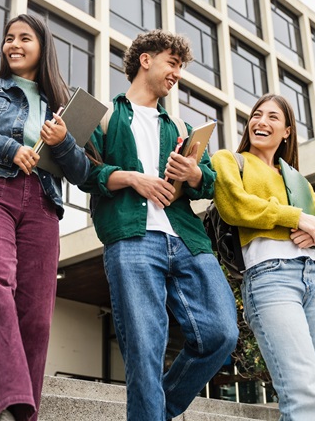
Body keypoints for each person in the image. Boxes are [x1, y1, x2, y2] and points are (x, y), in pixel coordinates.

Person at [78, 29, 238, 421]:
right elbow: (84, 174)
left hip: (187, 240)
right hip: (132, 238)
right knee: (145, 346)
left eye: (180, 67)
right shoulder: (104, 115)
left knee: (221, 333)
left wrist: (194, 175)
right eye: (172, 63)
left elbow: (210, 184)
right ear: (145, 60)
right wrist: (134, 178)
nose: (177, 74)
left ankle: (154, 411)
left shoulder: (181, 128)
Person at [0, 14, 90, 421]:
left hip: (43, 205)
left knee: (36, 317)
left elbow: (80, 174)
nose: (14, 44)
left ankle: (4, 413)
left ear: (43, 48)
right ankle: (11, 409)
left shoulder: (62, 105)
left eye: (25, 38)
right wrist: (7, 148)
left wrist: (62, 144)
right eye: (9, 37)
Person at [211, 94, 315, 420]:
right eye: (257, 115)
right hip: (271, 278)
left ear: (286, 131)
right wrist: (295, 217)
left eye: (273, 117)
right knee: (304, 393)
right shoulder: (230, 160)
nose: (261, 122)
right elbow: (236, 206)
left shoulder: (296, 179)